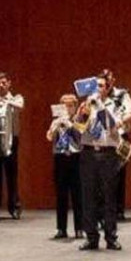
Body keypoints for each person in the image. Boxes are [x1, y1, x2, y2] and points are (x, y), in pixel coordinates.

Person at [76, 74, 126, 250]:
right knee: (88, 196)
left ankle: (111, 237)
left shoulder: (115, 105)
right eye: (96, 86)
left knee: (109, 197)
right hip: (89, 153)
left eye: (102, 86)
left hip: (108, 153)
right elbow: (78, 129)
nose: (98, 89)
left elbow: (116, 126)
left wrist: (101, 107)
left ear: (108, 89)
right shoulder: (85, 104)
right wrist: (82, 115)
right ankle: (91, 237)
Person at [0, 72, 25, 220]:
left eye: (4, 83)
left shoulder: (17, 98)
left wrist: (7, 102)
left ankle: (14, 207)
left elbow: (21, 105)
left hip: (11, 139)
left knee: (11, 174)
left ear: (9, 83)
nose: (1, 85)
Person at [46, 94, 83, 239]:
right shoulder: (56, 121)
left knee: (77, 195)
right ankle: (61, 228)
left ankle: (79, 228)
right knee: (61, 195)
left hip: (75, 157)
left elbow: (81, 137)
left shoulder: (79, 120)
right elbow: (49, 137)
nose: (67, 108)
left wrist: (71, 125)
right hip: (60, 158)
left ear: (75, 107)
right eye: (64, 106)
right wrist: (54, 128)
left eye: (70, 106)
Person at [101, 69, 131, 221]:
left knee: (118, 173)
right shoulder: (98, 95)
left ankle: (118, 210)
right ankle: (102, 210)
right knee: (101, 175)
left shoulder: (122, 94)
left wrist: (120, 121)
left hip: (120, 135)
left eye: (108, 79)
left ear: (113, 80)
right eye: (103, 80)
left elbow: (130, 112)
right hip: (102, 138)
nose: (106, 83)